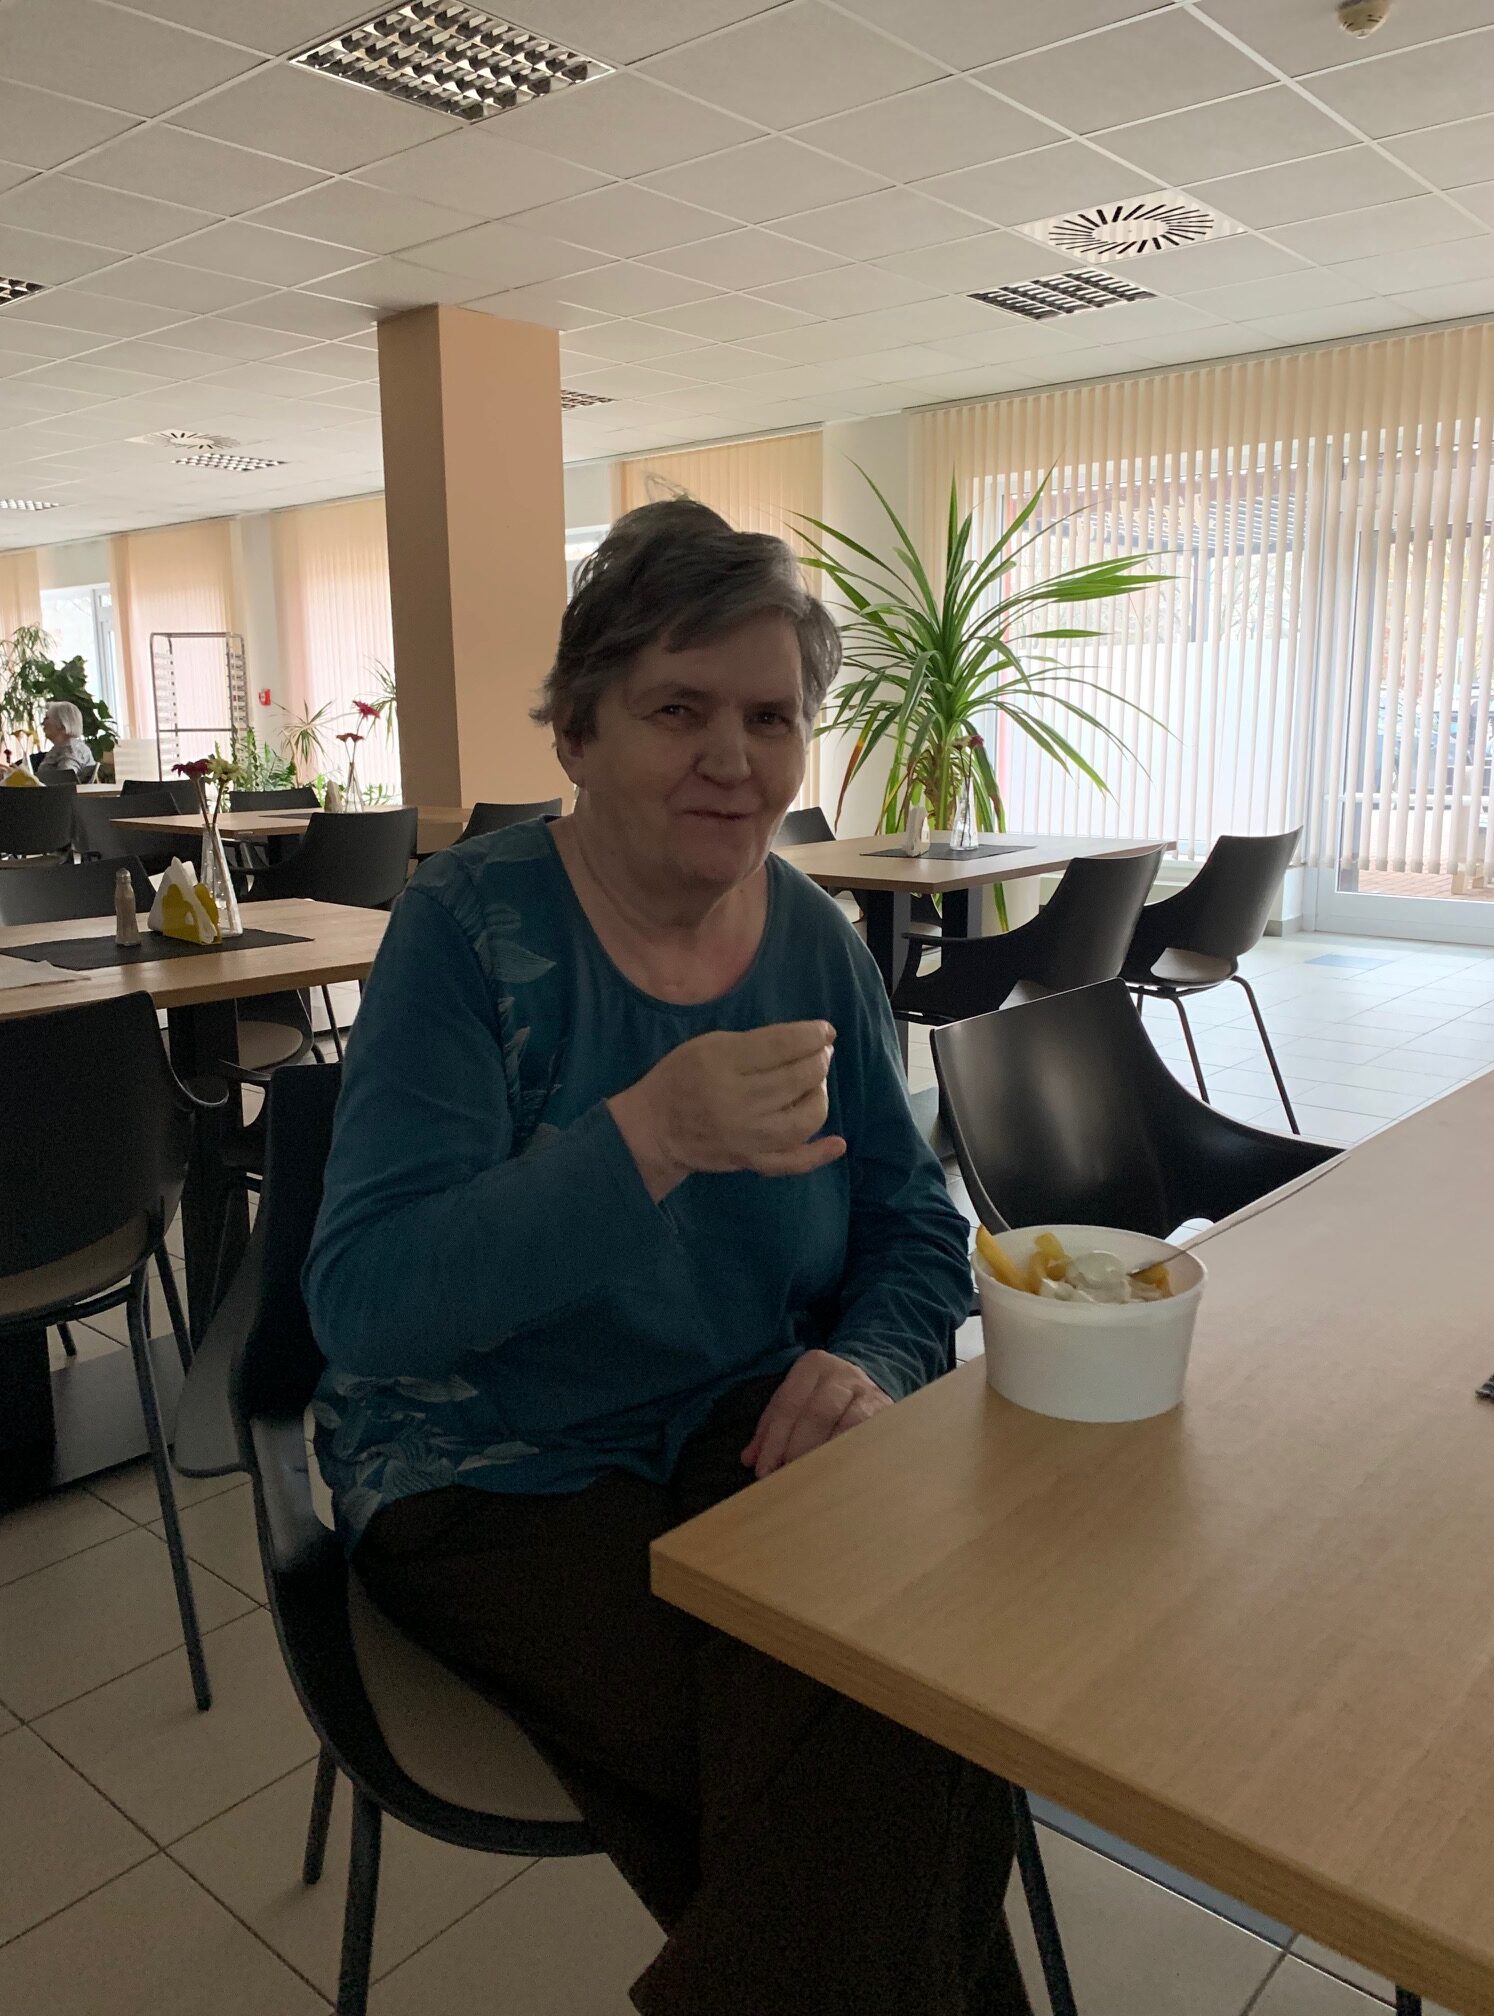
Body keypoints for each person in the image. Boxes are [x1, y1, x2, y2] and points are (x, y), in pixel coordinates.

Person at [304, 499, 1032, 2016]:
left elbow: (912, 1224)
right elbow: (366, 1307)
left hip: (743, 1432)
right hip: (485, 1468)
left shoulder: (816, 940)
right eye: (678, 710)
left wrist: (870, 1357)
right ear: (577, 732)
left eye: (772, 717)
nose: (734, 759)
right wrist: (643, 1138)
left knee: (926, 1686)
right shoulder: (466, 931)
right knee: (899, 1757)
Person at [35, 702, 96, 783]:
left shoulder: (72, 750)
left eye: (46, 718)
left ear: (62, 723)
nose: (42, 723)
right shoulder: (59, 748)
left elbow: (65, 782)